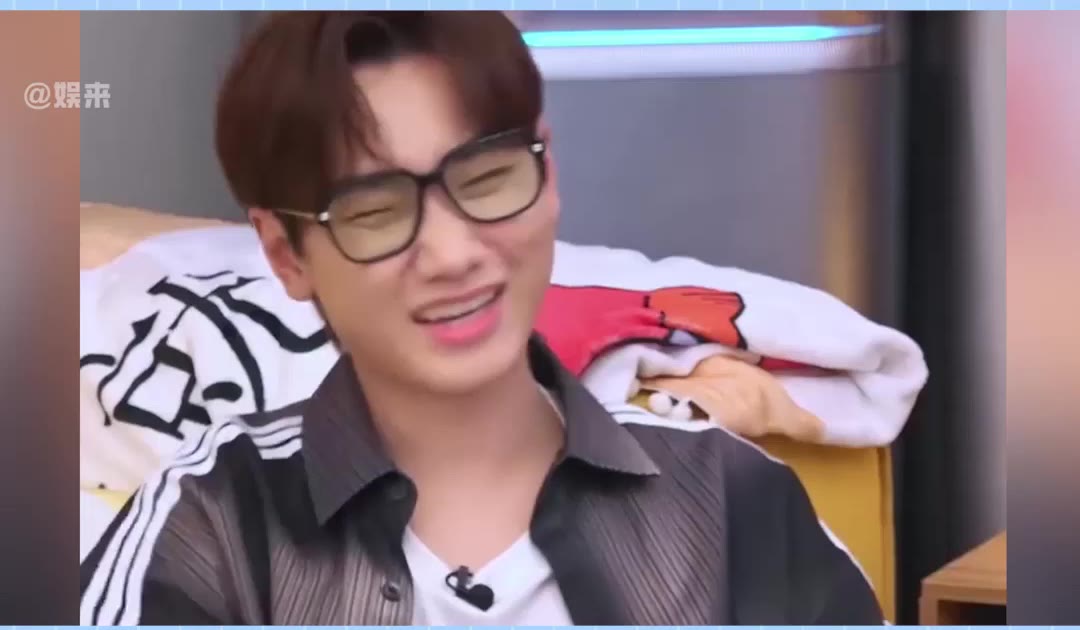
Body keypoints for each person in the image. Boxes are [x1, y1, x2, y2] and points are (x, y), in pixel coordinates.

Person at [79, 11, 883, 625]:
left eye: (487, 178)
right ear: (286, 253)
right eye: (375, 212)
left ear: (547, 169)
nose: (453, 253)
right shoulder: (213, 529)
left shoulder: (731, 503)